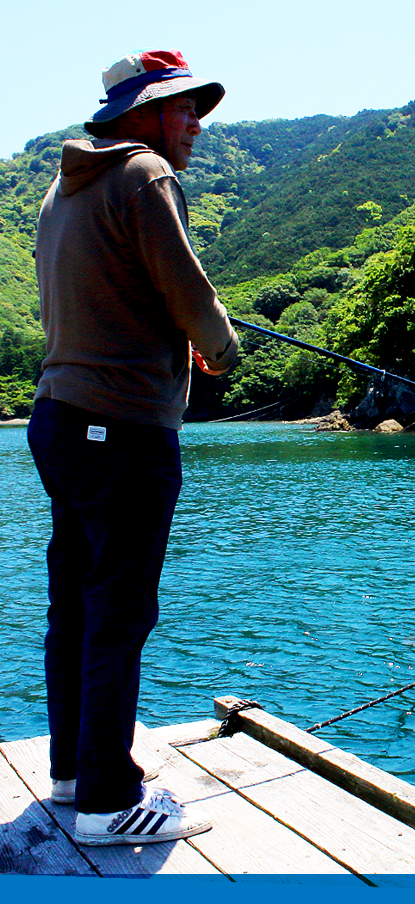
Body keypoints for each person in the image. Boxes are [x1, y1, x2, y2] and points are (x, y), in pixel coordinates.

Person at [27, 49, 238, 846]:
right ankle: (111, 805)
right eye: (185, 108)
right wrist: (219, 348)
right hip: (124, 431)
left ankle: (75, 773)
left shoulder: (62, 188)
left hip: (60, 420)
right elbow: (186, 289)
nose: (195, 125)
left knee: (75, 605)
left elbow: (117, 295)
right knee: (120, 610)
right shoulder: (145, 174)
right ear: (144, 112)